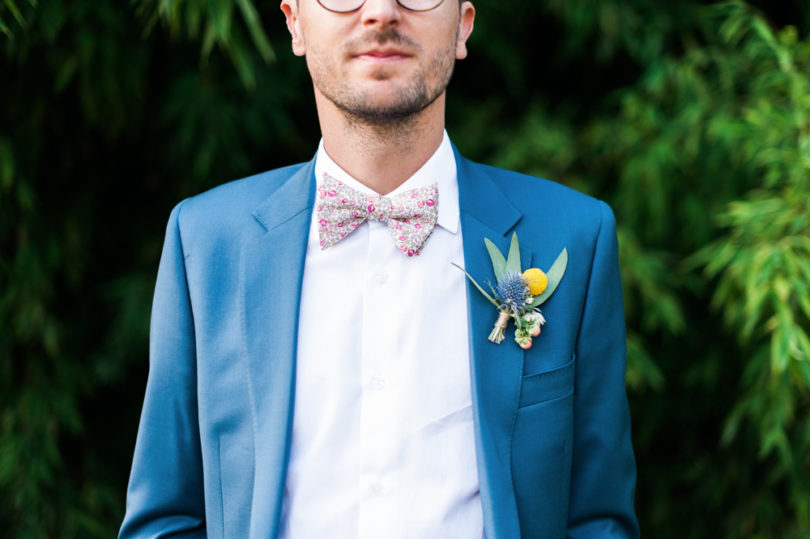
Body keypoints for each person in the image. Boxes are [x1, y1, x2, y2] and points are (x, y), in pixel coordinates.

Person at [119, 0, 639, 537]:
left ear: (463, 23)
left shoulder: (573, 238)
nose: (382, 12)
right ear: (294, 20)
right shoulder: (206, 242)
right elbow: (165, 519)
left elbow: (597, 520)